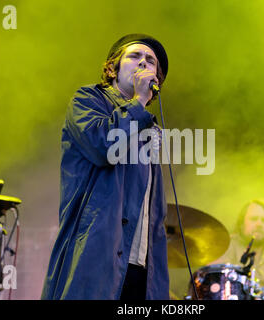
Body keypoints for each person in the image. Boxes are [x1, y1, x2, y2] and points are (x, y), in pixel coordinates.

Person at [41, 34, 170, 300]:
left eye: (151, 61)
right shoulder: (88, 100)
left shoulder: (149, 126)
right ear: (112, 69)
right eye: (135, 56)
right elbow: (104, 147)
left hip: (141, 270)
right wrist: (138, 103)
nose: (144, 63)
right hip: (97, 258)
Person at [212, 199, 264, 288]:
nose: (259, 224)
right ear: (242, 224)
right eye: (254, 219)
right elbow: (212, 280)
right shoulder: (226, 246)